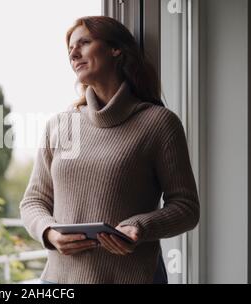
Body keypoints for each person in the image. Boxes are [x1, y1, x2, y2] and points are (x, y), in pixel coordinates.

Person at [19, 16, 199, 284]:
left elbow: (186, 208)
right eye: (70, 50)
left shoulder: (159, 123)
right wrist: (50, 233)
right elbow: (33, 201)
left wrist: (140, 227)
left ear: (116, 49)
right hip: (59, 280)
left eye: (84, 43)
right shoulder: (59, 124)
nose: (74, 54)